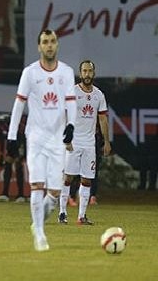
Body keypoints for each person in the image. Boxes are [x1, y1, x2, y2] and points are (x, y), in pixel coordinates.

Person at [7, 29, 76, 251]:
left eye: (52, 41)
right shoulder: (30, 73)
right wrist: (12, 135)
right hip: (35, 136)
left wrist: (71, 125)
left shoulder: (66, 72)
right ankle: (39, 234)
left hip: (57, 138)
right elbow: (19, 103)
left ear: (57, 45)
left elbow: (71, 101)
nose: (49, 45)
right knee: (37, 185)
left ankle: (37, 223)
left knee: (54, 193)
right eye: (45, 42)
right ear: (39, 46)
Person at [58, 60, 111, 225]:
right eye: (84, 71)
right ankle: (62, 213)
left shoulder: (98, 95)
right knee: (68, 178)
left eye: (90, 71)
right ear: (80, 73)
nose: (87, 74)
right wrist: (66, 138)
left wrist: (107, 142)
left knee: (87, 180)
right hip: (73, 142)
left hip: (90, 143)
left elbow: (102, 119)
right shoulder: (72, 92)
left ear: (94, 73)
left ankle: (81, 216)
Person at [0, 113, 26, 203]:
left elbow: (23, 139)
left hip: (19, 144)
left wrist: (22, 154)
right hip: (10, 144)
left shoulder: (19, 127)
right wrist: (1, 155)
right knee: (8, 165)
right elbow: (2, 142)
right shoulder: (0, 129)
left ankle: (21, 195)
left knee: (18, 166)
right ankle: (5, 194)